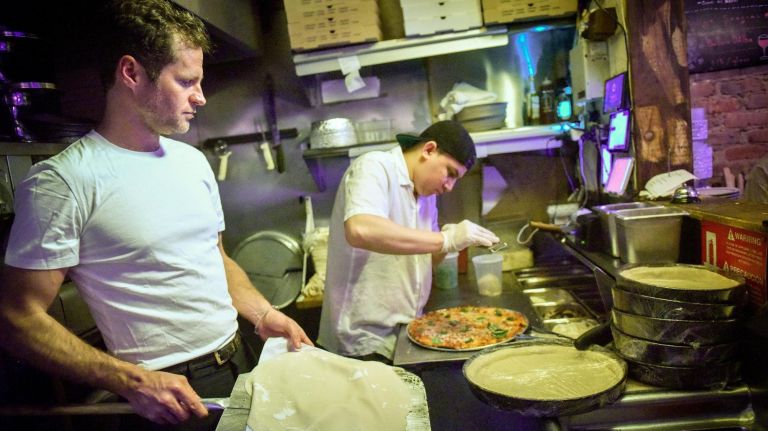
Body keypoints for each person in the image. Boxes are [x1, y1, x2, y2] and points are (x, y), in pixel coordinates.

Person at [0, 0, 311, 429]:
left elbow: (215, 258)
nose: (200, 96)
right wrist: (132, 381)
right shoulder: (64, 181)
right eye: (185, 81)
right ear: (131, 73)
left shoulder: (192, 161)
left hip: (240, 357)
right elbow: (17, 317)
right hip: (167, 391)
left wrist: (261, 314)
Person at [317, 120, 500, 362]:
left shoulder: (426, 198)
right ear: (429, 150)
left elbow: (428, 260)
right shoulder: (375, 167)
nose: (449, 187)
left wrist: (453, 240)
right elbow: (360, 229)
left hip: (407, 332)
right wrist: (444, 239)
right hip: (361, 342)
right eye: (450, 173)